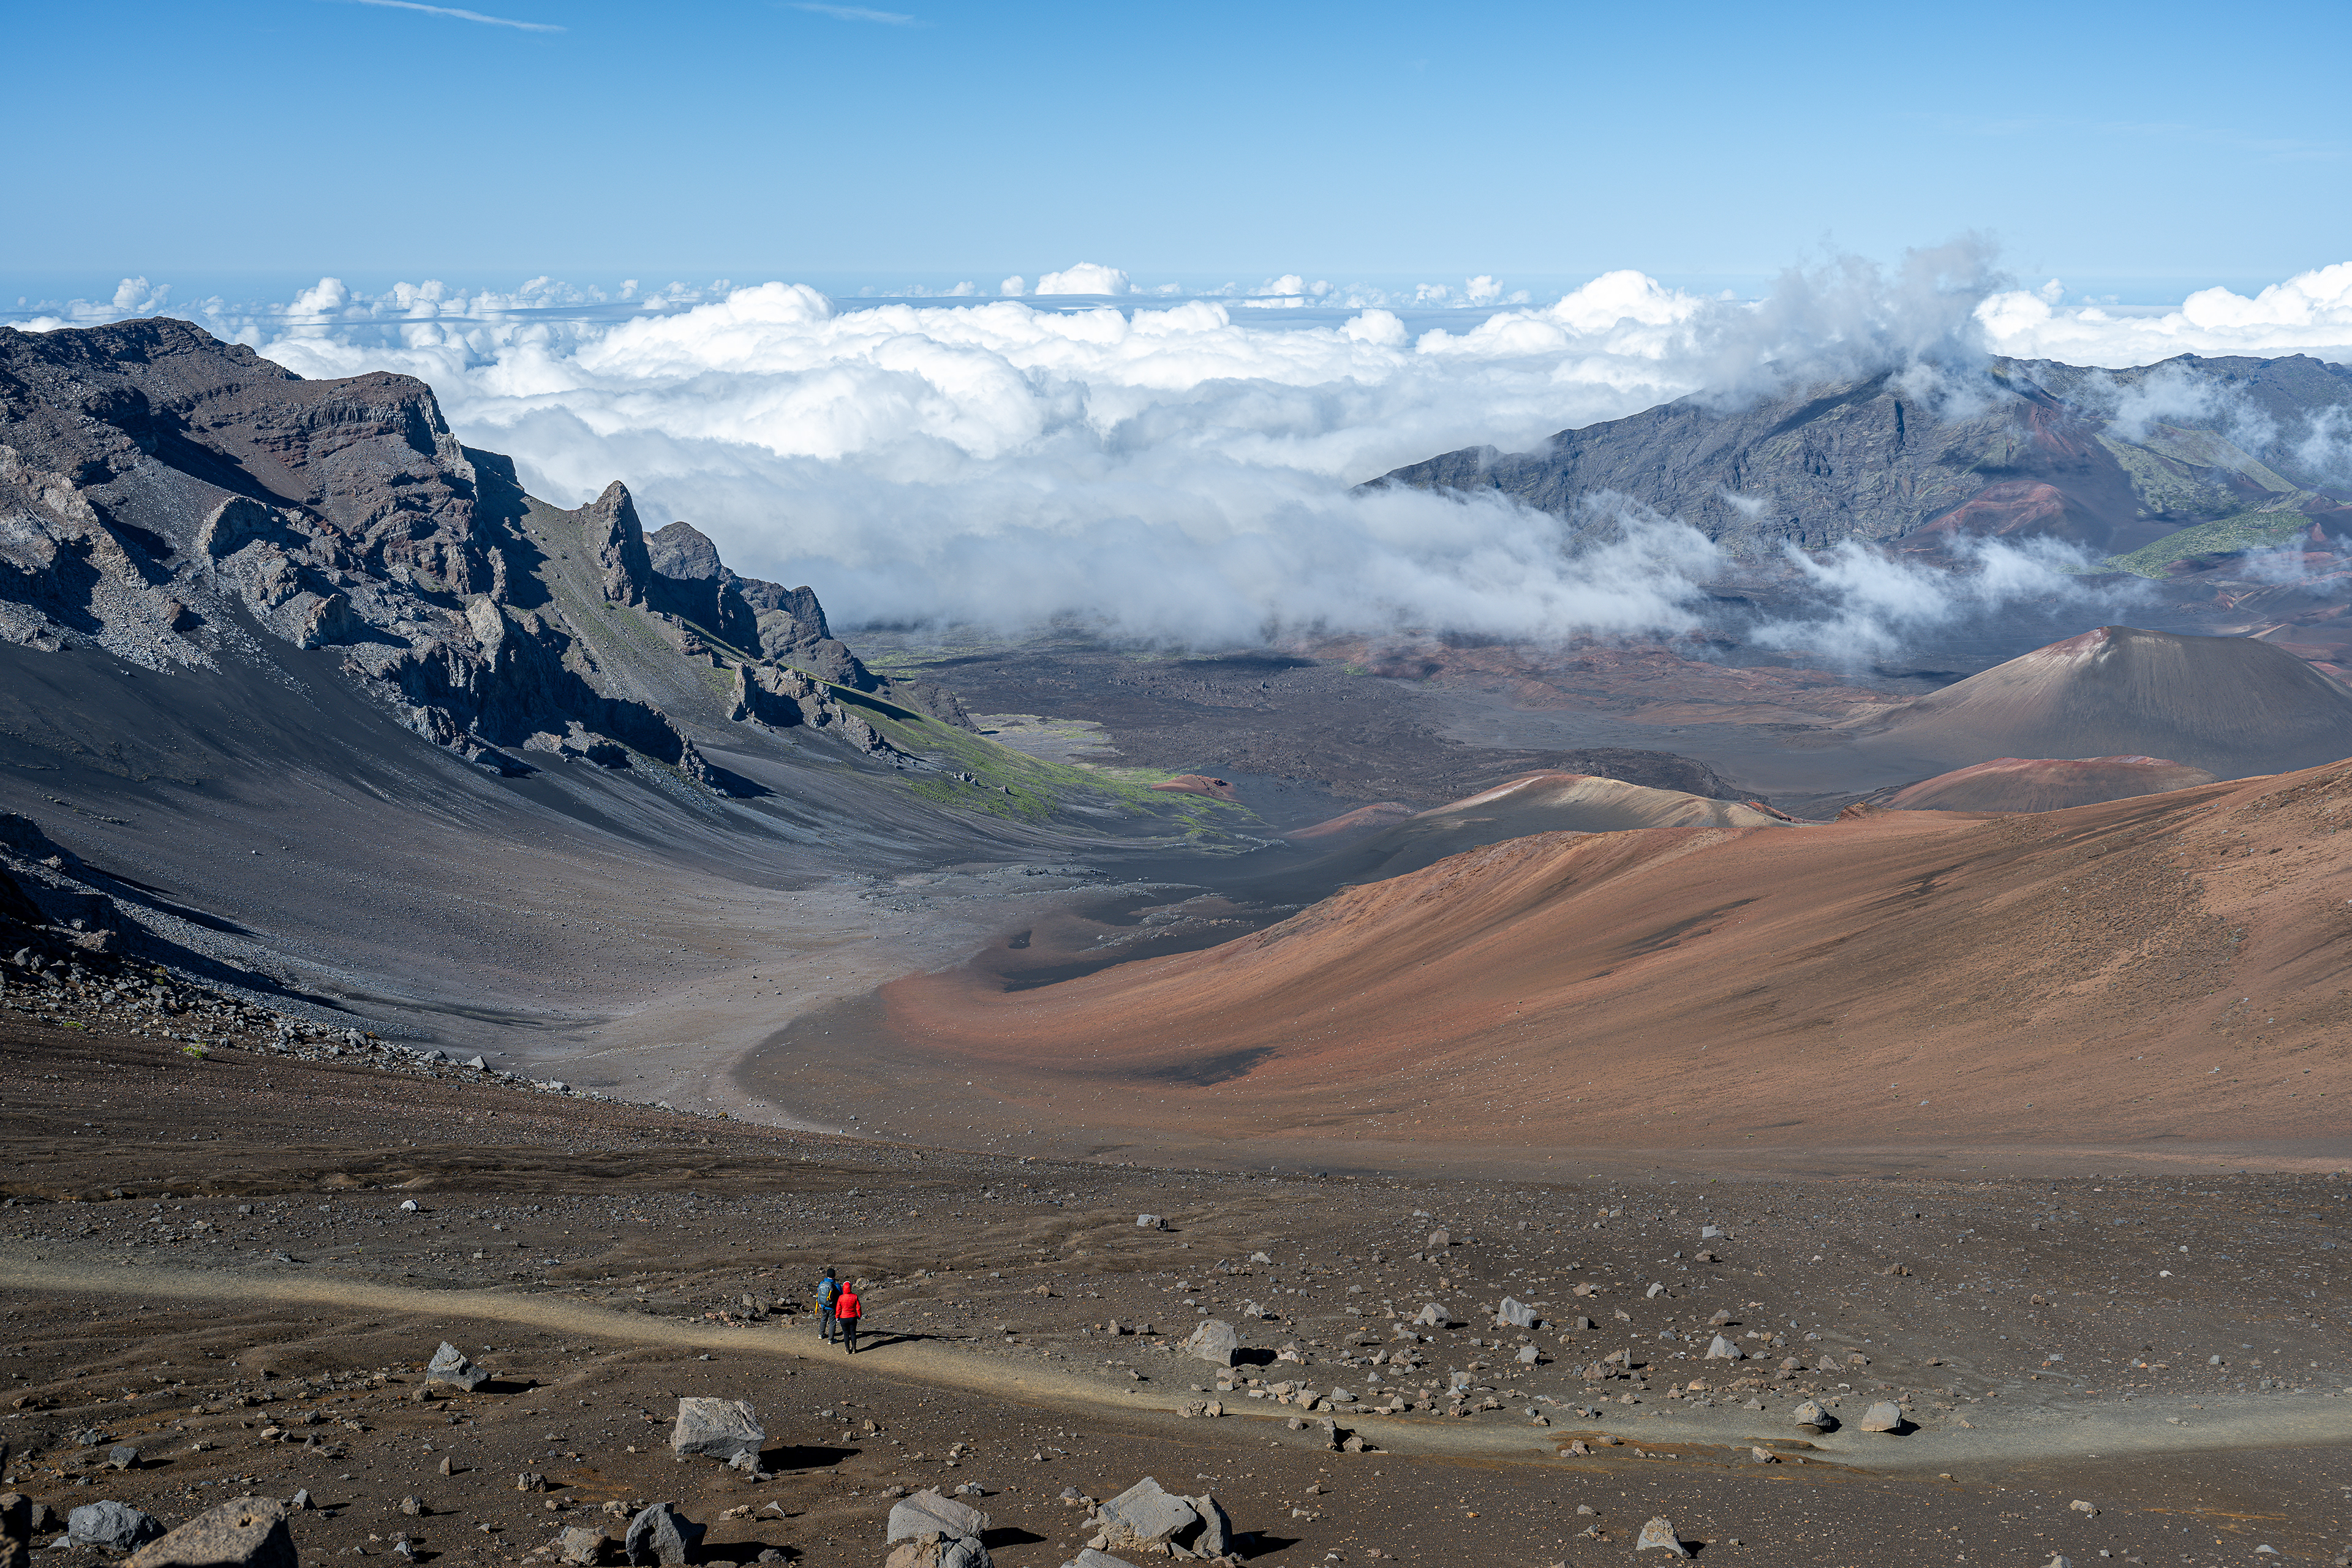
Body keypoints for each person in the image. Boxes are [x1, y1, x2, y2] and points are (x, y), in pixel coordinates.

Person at [834, 1280, 863, 1355]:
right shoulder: (855, 1296)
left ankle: (847, 1349)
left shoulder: (841, 1298)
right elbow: (858, 1307)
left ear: (843, 1288)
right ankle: (854, 1349)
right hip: (853, 1317)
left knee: (846, 1334)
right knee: (853, 1333)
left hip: (843, 1318)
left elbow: (838, 1309)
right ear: (850, 1288)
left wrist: (837, 1317)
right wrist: (859, 1315)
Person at [816, 1267, 839, 1344]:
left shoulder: (822, 1283)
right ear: (834, 1275)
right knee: (832, 1322)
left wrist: (819, 1302)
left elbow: (818, 1292)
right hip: (832, 1307)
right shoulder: (836, 1285)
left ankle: (821, 1334)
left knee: (824, 1319)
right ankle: (831, 1339)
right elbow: (841, 1296)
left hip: (823, 1305)